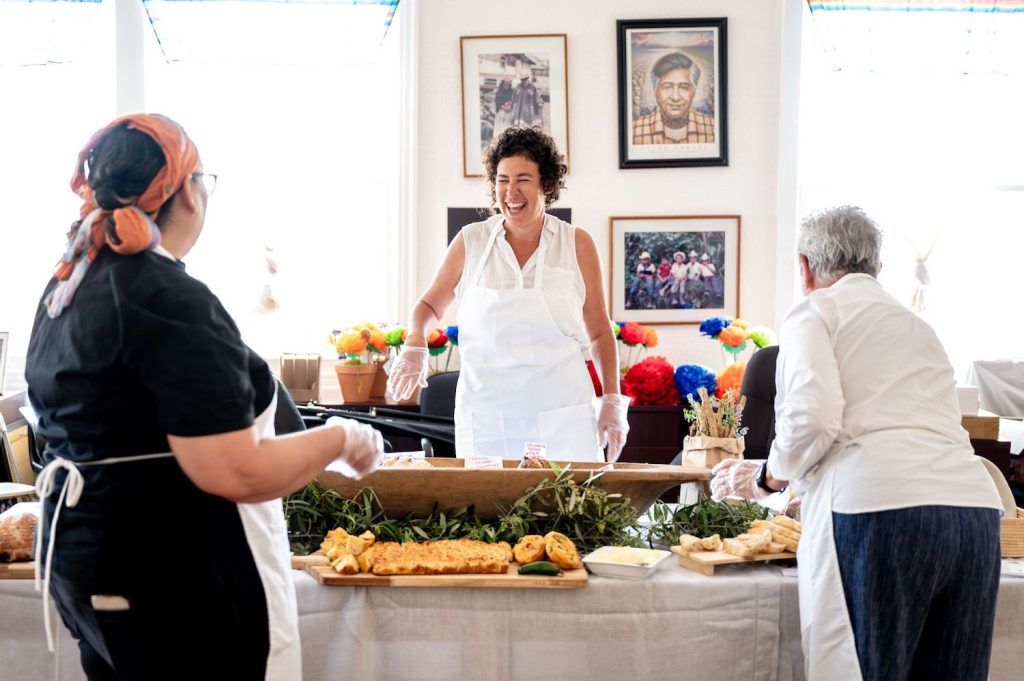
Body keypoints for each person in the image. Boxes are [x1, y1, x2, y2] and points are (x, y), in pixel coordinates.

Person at [25, 114, 384, 680]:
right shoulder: (166, 295)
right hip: (167, 572)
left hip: (84, 556)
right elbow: (236, 471)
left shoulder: (68, 284)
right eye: (204, 179)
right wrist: (342, 437)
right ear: (184, 191)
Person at [711, 206, 1002, 681]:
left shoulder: (816, 310)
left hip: (882, 510)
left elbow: (814, 417)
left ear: (804, 268)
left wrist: (767, 477)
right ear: (877, 267)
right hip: (971, 513)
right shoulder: (917, 326)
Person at [387, 126, 630, 462]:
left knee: (569, 511)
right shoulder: (470, 241)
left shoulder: (577, 244)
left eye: (523, 179)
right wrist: (415, 342)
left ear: (546, 184)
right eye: (502, 179)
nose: (510, 191)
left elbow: (600, 332)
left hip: (562, 415)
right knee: (491, 511)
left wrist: (612, 401)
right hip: (489, 418)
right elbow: (429, 303)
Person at [632, 51, 715, 145]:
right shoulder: (634, 131)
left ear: (693, 92)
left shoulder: (713, 129)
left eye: (684, 87)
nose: (675, 97)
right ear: (655, 91)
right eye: (667, 87)